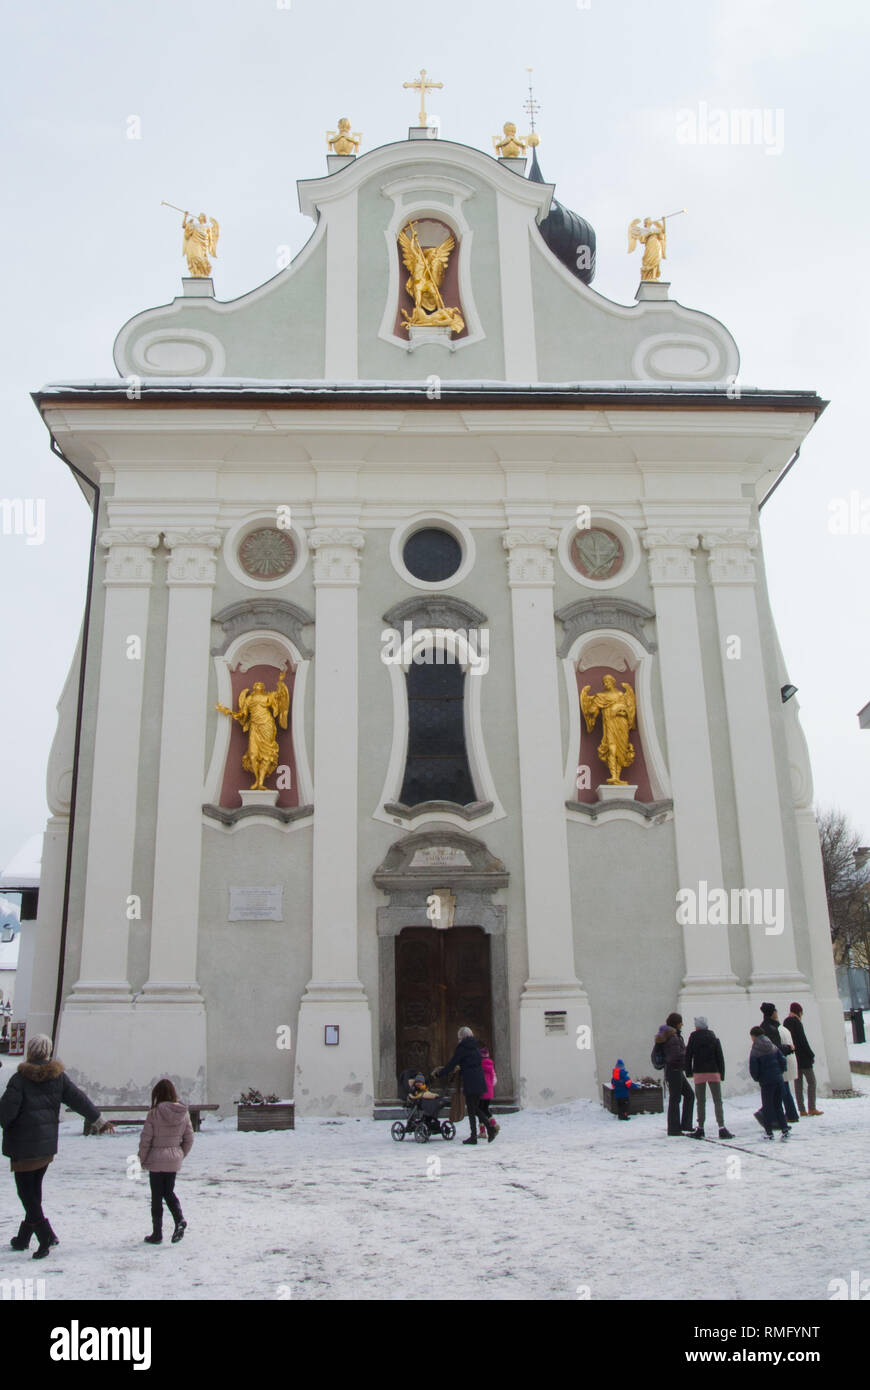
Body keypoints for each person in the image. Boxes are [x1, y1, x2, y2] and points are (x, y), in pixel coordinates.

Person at [0, 1033, 113, 1258]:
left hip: (23, 1148)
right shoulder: (58, 1077)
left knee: (27, 1194)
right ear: (48, 1052)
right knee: (34, 1192)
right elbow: (78, 1099)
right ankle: (24, 1238)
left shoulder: (20, 1080)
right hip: (46, 1147)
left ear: (30, 1052)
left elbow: (5, 1115)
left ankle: (46, 1237)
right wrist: (99, 1120)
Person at [138, 1078, 194, 1245]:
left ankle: (157, 1233)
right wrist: (179, 1154)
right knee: (168, 1192)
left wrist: (141, 1159)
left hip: (156, 1160)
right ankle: (179, 1219)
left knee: (157, 1196)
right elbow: (189, 1139)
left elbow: (145, 1140)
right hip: (173, 1160)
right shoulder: (183, 1113)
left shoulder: (154, 1114)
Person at [433, 1027, 497, 1145]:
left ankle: (482, 1132)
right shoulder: (475, 1047)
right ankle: (483, 1131)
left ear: (461, 1037)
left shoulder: (462, 1048)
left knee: (473, 1109)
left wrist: (440, 1073)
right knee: (474, 1108)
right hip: (479, 1080)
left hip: (470, 1081)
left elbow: (452, 1064)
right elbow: (473, 1062)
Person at [685, 1016, 733, 1140]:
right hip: (713, 1071)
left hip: (699, 1071)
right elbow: (719, 1056)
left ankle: (700, 1128)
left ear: (697, 1026)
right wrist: (721, 1073)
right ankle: (721, 1127)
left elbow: (688, 1055)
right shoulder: (713, 1037)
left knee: (701, 1101)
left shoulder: (693, 1038)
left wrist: (688, 1071)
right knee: (717, 1100)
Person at [758, 1003, 800, 1124]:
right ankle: (787, 1114)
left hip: (775, 1063)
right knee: (781, 1090)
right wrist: (788, 1048)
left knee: (782, 1089)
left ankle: (788, 1114)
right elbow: (775, 1048)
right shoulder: (772, 1028)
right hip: (776, 1063)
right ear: (772, 1013)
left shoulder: (768, 1027)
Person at [656, 1013, 694, 1136]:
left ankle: (684, 1125)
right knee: (676, 1099)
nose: (682, 1024)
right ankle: (674, 1128)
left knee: (688, 1095)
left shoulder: (670, 1036)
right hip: (675, 1070)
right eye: (680, 1022)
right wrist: (686, 1053)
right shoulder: (673, 1037)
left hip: (673, 1071)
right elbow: (675, 1055)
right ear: (676, 1023)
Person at [748, 1027, 790, 1140]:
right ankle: (784, 1129)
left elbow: (753, 1067)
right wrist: (780, 1072)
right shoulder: (772, 1046)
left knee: (767, 1107)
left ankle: (769, 1132)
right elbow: (782, 1060)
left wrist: (758, 1078)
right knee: (778, 1105)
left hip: (766, 1081)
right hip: (778, 1079)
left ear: (754, 1036)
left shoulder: (755, 1049)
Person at [783, 1003, 823, 1116]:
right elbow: (802, 1040)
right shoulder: (797, 1022)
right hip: (804, 1058)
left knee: (798, 1083)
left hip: (794, 1057)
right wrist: (811, 1054)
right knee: (812, 1082)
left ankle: (802, 1109)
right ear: (799, 1012)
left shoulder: (786, 1022)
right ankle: (812, 1108)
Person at [477, 1043, 499, 1138]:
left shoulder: (479, 1065)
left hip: (481, 1090)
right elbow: (494, 1080)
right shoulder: (491, 1065)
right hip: (489, 1091)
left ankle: (483, 1131)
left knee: (479, 1110)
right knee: (485, 1109)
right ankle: (493, 1124)